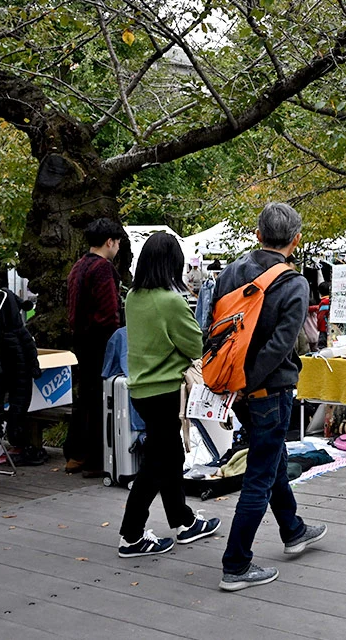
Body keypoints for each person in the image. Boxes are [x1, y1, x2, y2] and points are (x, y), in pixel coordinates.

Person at [215, 203, 326, 592]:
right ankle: (236, 564)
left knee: (272, 455)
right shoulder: (294, 283)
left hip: (235, 387)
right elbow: (281, 345)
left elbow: (212, 329)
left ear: (258, 234)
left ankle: (293, 530)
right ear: (296, 240)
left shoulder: (231, 271)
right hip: (270, 388)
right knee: (260, 475)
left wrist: (236, 381)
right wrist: (250, 379)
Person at [116, 232, 221, 558]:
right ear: (172, 264)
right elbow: (193, 345)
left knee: (170, 456)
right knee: (155, 465)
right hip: (165, 391)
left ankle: (183, 521)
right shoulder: (171, 301)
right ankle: (131, 535)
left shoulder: (132, 297)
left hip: (141, 390)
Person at [64, 218, 125, 477]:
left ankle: (76, 454)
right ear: (109, 242)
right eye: (118, 243)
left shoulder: (78, 266)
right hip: (100, 341)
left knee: (84, 396)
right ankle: (95, 459)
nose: (119, 248)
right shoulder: (102, 268)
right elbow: (110, 311)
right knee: (102, 398)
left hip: (79, 339)